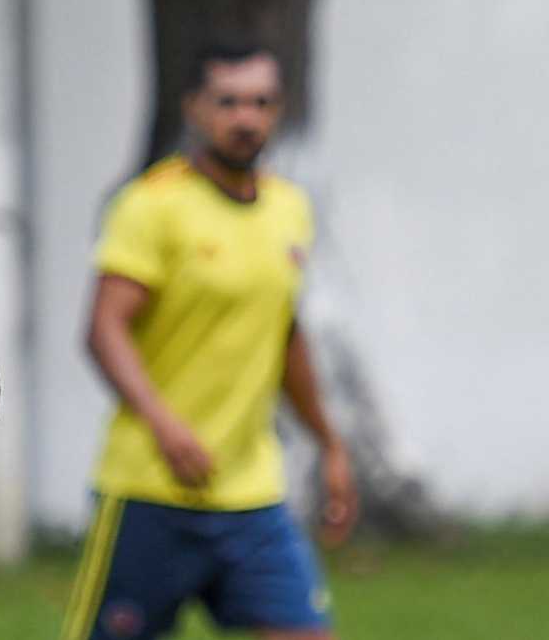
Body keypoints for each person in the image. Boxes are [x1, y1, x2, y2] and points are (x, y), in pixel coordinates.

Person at [60, 42, 358, 640]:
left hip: (252, 492)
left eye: (260, 103)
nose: (245, 118)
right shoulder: (152, 205)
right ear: (194, 107)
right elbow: (104, 329)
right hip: (151, 487)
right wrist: (163, 423)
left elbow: (284, 336)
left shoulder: (289, 209)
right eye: (228, 102)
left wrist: (329, 444)